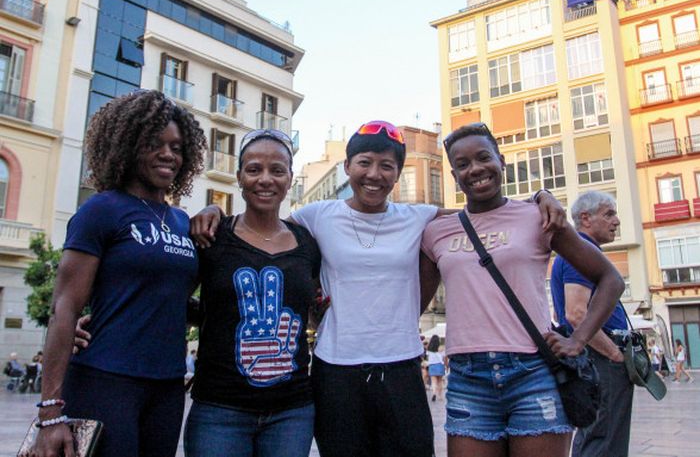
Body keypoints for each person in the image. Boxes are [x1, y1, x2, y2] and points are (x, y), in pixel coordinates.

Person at [192, 120, 566, 457]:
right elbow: (261, 229)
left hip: (401, 365)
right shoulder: (315, 216)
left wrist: (537, 200)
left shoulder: (417, 217)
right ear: (347, 168)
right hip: (336, 370)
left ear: (398, 174)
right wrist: (217, 215)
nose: (374, 174)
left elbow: (484, 213)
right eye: (365, 163)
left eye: (387, 166)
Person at [420, 123, 624, 457]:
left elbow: (610, 279)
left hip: (533, 373)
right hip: (468, 379)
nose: (475, 169)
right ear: (454, 175)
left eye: (484, 158)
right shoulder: (436, 232)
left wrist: (579, 339)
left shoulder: (538, 217)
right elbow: (413, 302)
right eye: (463, 164)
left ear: (501, 161)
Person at [34, 90, 205, 457]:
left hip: (167, 385)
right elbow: (64, 307)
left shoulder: (180, 221)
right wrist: (50, 412)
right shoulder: (102, 210)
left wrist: (217, 215)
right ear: (127, 145)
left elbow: (171, 296)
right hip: (106, 378)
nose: (168, 155)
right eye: (155, 144)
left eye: (177, 147)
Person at [183, 129, 321, 457]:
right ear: (239, 177)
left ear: (290, 179)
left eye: (277, 170)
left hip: (292, 413)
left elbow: (314, 307)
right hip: (219, 411)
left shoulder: (308, 244)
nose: (265, 179)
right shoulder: (211, 238)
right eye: (254, 169)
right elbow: (170, 297)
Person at [550, 190, 633, 457]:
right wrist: (614, 354)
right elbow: (576, 314)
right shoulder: (580, 254)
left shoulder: (586, 253)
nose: (616, 221)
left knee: (606, 434)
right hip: (600, 358)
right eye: (609, 214)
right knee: (602, 436)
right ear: (585, 218)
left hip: (601, 355)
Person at [426, 335, 446, 402]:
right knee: (440, 381)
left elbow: (428, 358)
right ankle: (440, 396)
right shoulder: (441, 348)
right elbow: (444, 357)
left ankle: (434, 393)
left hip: (432, 365)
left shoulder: (429, 349)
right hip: (440, 365)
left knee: (433, 382)